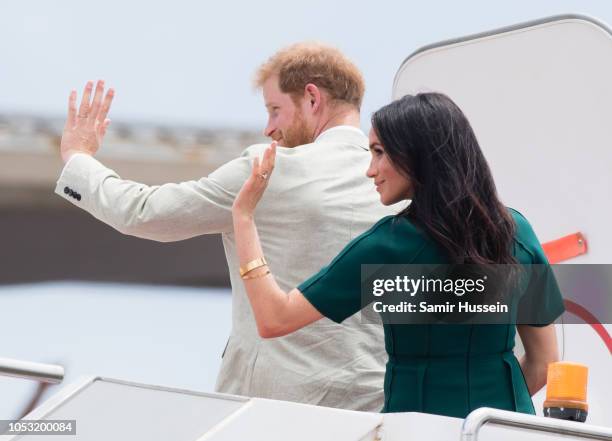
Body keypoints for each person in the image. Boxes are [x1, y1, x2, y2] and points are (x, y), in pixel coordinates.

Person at [55, 43, 403, 411]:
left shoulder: (268, 169)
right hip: (376, 413)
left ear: (312, 98)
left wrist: (78, 158)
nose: (269, 128)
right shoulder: (401, 189)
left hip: (273, 411)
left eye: (275, 110)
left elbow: (143, 212)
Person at [231, 92, 564, 418]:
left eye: (378, 153)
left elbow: (274, 318)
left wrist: (244, 217)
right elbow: (544, 363)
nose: (370, 170)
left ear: (416, 156)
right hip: (503, 430)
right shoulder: (517, 232)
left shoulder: (388, 246)